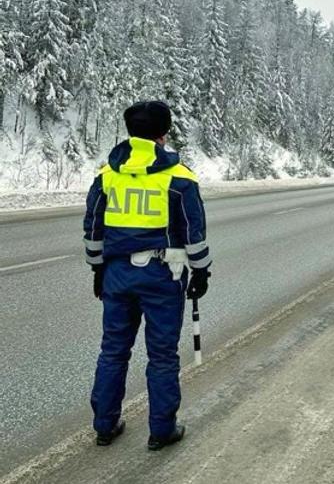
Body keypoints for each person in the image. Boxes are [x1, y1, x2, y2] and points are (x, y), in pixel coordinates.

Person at [83, 101, 211, 450]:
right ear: (163, 134)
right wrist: (201, 271)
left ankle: (105, 425)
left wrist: (98, 269)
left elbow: (93, 230)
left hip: (117, 275)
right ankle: (161, 430)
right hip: (163, 276)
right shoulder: (179, 177)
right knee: (162, 356)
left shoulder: (107, 175)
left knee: (113, 351)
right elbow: (193, 232)